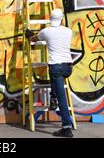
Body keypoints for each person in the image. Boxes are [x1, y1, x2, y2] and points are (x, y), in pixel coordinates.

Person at [26, 8, 74, 137]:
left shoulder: (46, 31)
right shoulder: (69, 31)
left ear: (50, 19)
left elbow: (33, 39)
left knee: (62, 97)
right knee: (56, 82)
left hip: (56, 67)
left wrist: (29, 34)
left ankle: (66, 127)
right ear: (62, 19)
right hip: (68, 67)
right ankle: (53, 97)